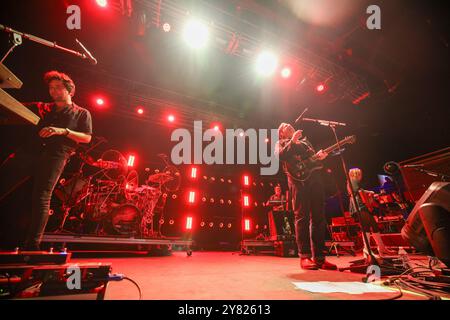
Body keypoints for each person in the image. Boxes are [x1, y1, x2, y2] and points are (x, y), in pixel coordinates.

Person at [0, 71, 92, 250]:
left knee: (41, 197)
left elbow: (87, 137)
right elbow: (13, 106)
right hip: (30, 151)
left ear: (70, 90)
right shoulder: (43, 107)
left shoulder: (81, 113)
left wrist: (63, 131)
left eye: (58, 87)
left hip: (56, 155)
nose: (53, 91)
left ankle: (32, 246)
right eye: (51, 88)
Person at [275, 123, 337, 270]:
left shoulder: (305, 142)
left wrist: (320, 157)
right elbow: (281, 156)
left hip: (315, 179)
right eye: (284, 126)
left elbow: (311, 160)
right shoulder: (280, 143)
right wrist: (293, 141)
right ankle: (305, 256)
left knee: (319, 218)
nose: (288, 125)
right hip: (298, 182)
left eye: (289, 124)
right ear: (281, 133)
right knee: (301, 217)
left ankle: (320, 258)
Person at [347, 168, 397, 258]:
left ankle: (381, 248)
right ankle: (367, 250)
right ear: (356, 174)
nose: (361, 176)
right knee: (366, 227)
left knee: (374, 226)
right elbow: (359, 192)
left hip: (361, 206)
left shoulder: (352, 182)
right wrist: (370, 192)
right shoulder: (353, 181)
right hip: (360, 206)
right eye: (360, 174)